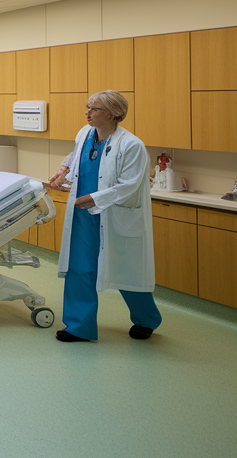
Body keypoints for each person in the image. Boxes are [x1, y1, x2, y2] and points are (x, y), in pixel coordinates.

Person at [47, 90, 160, 343]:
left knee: (126, 269)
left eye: (94, 109)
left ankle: (146, 319)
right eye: (87, 107)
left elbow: (129, 184)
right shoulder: (84, 133)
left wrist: (93, 199)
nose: (87, 112)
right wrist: (63, 170)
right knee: (80, 268)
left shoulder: (132, 145)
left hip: (114, 214)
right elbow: (75, 155)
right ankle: (79, 327)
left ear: (111, 113)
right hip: (83, 215)